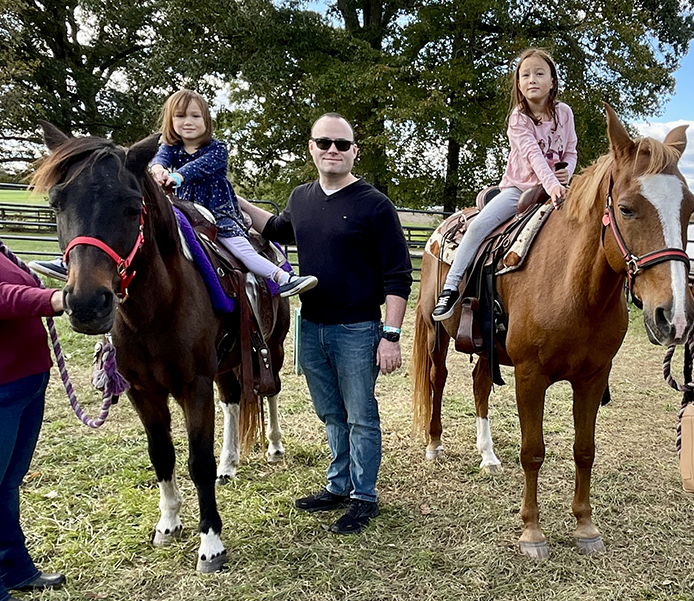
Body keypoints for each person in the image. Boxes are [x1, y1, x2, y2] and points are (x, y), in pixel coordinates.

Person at [239, 112, 412, 534]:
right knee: (330, 413)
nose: (332, 150)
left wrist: (390, 336)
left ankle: (363, 496)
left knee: (360, 415)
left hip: (357, 329)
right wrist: (236, 200)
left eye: (341, 144)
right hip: (311, 325)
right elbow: (279, 229)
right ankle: (338, 485)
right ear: (311, 149)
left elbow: (398, 276)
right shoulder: (301, 197)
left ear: (354, 151)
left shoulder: (374, 205)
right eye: (323, 143)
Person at [29, 89, 317, 299]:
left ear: (206, 121)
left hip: (216, 213)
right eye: (180, 116)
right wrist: (157, 172)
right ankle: (71, 262)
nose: (187, 122)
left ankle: (281, 277)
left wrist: (177, 175)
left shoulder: (217, 149)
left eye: (195, 116)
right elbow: (158, 162)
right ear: (171, 121)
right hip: (180, 212)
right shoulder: (168, 147)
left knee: (237, 246)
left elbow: (202, 167)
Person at [431, 47, 577, 320]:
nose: (532, 79)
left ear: (552, 82)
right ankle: (450, 288)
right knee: (477, 227)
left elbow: (570, 151)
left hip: (556, 188)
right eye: (525, 75)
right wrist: (552, 185)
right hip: (519, 189)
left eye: (539, 73)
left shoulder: (564, 113)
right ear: (519, 85)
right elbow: (533, 155)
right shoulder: (518, 119)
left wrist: (566, 172)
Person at [1, 243, 67, 601]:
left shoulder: (2, 252)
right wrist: (55, 300)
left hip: (25, 383)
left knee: (8, 483)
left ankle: (15, 568)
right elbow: (5, 297)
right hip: (3, 389)